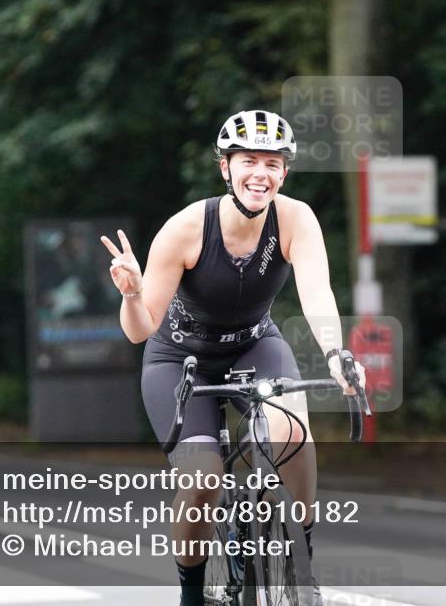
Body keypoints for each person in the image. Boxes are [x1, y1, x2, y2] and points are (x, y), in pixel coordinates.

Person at [101, 109, 366, 606]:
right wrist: (133, 295)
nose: (259, 174)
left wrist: (335, 353)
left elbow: (317, 294)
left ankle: (302, 561)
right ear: (226, 168)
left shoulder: (295, 219)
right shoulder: (184, 230)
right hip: (179, 358)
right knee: (202, 478)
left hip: (253, 344)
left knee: (292, 433)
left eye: (271, 163)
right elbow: (140, 332)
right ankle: (192, 594)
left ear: (284, 173)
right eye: (248, 161)